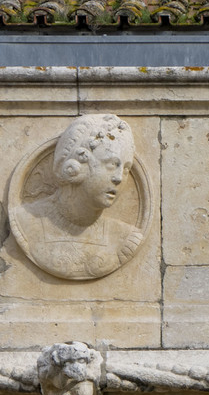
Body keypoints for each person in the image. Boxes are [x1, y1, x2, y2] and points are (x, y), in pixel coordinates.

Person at [11, 114, 143, 280]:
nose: (119, 178)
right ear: (75, 166)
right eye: (111, 165)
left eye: (125, 169)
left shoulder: (125, 238)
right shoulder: (25, 222)